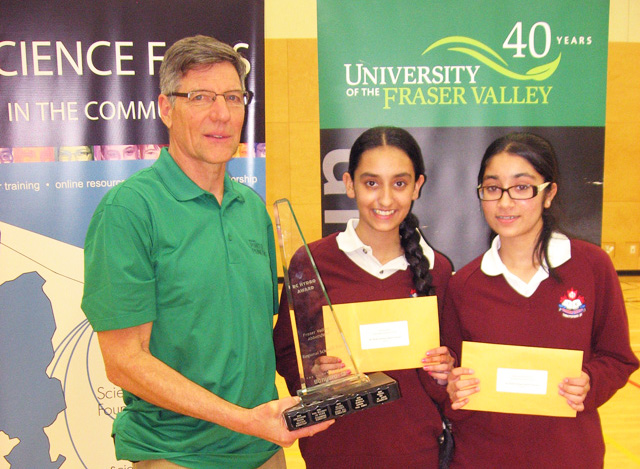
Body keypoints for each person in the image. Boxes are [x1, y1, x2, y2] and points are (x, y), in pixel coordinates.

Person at [81, 35, 331, 469]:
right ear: (165, 108)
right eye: (201, 97)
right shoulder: (130, 210)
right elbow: (123, 362)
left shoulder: (252, 208)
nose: (222, 114)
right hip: (177, 454)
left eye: (234, 97)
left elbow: (256, 334)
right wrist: (245, 421)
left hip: (264, 449)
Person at [442, 132, 639, 468]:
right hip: (483, 457)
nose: (504, 203)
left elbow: (618, 359)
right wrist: (452, 386)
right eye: (492, 188)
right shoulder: (464, 284)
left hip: (570, 455)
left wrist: (590, 382)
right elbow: (449, 374)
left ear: (549, 193)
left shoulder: (592, 267)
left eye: (521, 187)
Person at [274, 126, 454, 468]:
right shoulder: (310, 264)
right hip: (333, 452)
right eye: (371, 183)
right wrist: (314, 375)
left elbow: (452, 367)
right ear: (348, 184)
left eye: (399, 183)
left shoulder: (438, 270)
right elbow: (287, 351)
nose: (385, 199)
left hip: (416, 454)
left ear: (417, 186)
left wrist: (446, 369)